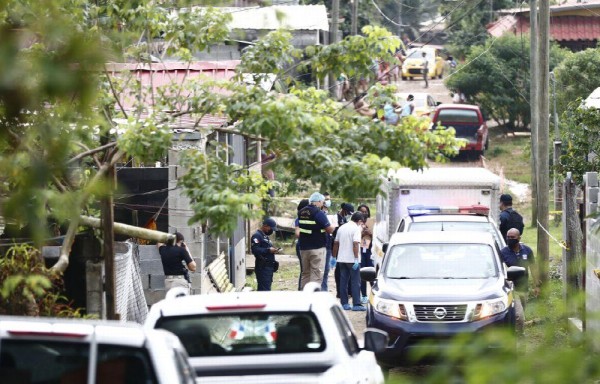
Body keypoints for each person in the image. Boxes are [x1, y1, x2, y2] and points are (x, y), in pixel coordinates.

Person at [500, 228, 538, 335]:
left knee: (521, 313)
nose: (510, 239)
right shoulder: (503, 253)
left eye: (513, 237)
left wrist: (537, 285)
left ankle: (517, 332)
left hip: (524, 287)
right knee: (519, 315)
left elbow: (533, 267)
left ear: (519, 238)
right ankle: (519, 336)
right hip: (511, 288)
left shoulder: (527, 250)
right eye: (508, 237)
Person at [298, 192, 334, 289]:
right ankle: (313, 297)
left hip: (304, 248)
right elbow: (329, 229)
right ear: (318, 201)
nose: (323, 204)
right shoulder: (319, 213)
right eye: (322, 202)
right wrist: (335, 227)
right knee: (316, 274)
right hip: (317, 248)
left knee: (305, 273)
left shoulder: (301, 212)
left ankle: (303, 296)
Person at [332, 212, 367, 311]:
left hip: (341, 259)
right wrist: (356, 258)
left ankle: (344, 303)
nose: (362, 225)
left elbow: (335, 243)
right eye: (362, 223)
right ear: (359, 221)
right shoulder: (356, 229)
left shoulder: (342, 227)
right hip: (352, 260)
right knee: (355, 281)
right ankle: (356, 304)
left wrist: (333, 257)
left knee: (343, 281)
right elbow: (355, 244)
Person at [251, 217, 279, 291]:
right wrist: (268, 250)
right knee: (264, 291)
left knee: (266, 289)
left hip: (268, 268)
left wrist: (273, 250)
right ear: (265, 226)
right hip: (262, 267)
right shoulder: (257, 236)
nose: (271, 230)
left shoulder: (264, 236)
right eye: (270, 228)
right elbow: (255, 250)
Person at [334, 203, 355, 299]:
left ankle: (348, 291)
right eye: (348, 212)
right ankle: (339, 292)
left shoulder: (345, 219)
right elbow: (334, 234)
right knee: (339, 271)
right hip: (338, 247)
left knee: (347, 271)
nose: (348, 215)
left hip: (345, 247)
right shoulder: (335, 218)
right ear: (343, 210)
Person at [357, 204, 373, 304]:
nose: (364, 213)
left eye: (365, 211)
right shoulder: (356, 223)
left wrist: (370, 233)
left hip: (370, 251)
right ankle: (363, 295)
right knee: (362, 273)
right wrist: (362, 233)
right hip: (360, 250)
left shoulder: (372, 222)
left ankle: (374, 294)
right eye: (362, 211)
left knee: (372, 273)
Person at [294, 199, 310, 290]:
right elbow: (297, 233)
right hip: (302, 246)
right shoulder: (299, 219)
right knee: (304, 270)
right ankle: (301, 289)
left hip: (308, 246)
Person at [321, 193, 334, 292]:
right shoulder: (319, 214)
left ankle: (324, 290)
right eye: (326, 199)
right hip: (320, 245)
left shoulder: (329, 215)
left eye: (328, 199)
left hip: (328, 244)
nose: (327, 201)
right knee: (320, 270)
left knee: (326, 269)